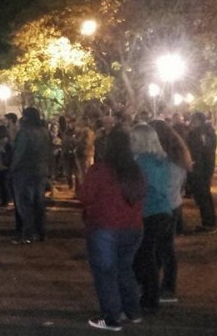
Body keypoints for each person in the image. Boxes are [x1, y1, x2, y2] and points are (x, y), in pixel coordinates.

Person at [78, 127, 147, 331]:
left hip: (105, 227)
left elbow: (85, 196)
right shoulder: (135, 170)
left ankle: (111, 317)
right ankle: (132, 311)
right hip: (133, 227)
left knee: (105, 272)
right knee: (124, 268)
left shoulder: (100, 170)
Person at [130, 123, 172, 313]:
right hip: (164, 211)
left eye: (133, 139)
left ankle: (149, 297)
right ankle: (149, 294)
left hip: (149, 211)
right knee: (151, 255)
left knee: (144, 256)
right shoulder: (161, 159)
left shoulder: (141, 162)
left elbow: (140, 189)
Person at [149, 119, 192, 304]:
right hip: (173, 205)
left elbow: (162, 186)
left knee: (162, 249)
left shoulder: (166, 161)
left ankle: (167, 288)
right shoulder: (178, 157)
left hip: (163, 207)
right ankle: (163, 285)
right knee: (164, 248)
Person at [10, 107, 52, 244]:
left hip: (25, 172)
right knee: (39, 202)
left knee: (25, 203)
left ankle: (28, 234)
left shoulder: (24, 133)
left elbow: (19, 153)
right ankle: (41, 232)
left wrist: (12, 168)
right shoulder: (45, 132)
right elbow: (49, 152)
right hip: (41, 171)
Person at [185, 112, 217, 233]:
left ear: (197, 121)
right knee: (206, 195)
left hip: (198, 169)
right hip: (207, 168)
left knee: (202, 197)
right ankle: (210, 222)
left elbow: (195, 152)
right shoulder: (210, 132)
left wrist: (192, 166)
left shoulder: (195, 134)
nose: (190, 122)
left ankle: (208, 224)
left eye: (192, 120)